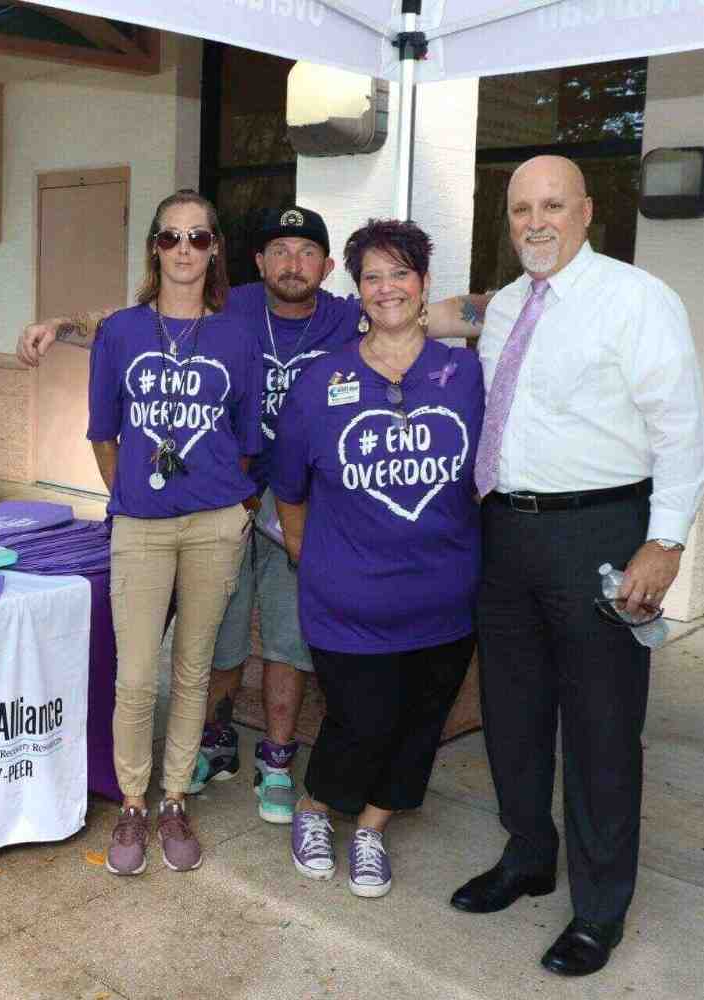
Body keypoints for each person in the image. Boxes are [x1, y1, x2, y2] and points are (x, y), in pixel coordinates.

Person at [19, 206, 489, 826]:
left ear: (325, 267)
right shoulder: (233, 307)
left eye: (307, 252)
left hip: (304, 497)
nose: (293, 263)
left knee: (291, 640)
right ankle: (213, 741)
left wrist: (526, 302)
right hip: (227, 491)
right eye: (280, 250)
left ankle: (276, 755)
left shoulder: (353, 312)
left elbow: (460, 311)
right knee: (220, 636)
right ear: (257, 261)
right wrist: (62, 324)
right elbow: (126, 323)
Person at [451, 155, 704, 976]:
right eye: (522, 207)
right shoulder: (505, 309)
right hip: (505, 535)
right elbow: (445, 316)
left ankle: (600, 911)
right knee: (513, 713)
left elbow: (683, 432)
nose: (536, 221)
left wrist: (664, 543)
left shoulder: (636, 300)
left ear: (587, 211)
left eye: (553, 206)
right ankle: (529, 854)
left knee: (601, 732)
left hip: (600, 534)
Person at [271, 219, 482, 898]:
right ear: (356, 289)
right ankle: (315, 808)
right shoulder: (320, 380)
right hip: (346, 600)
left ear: (423, 285)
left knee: (421, 723)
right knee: (361, 721)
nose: (386, 287)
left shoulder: (467, 375)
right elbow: (290, 488)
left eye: (400, 273)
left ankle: (371, 827)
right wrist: (308, 556)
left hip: (446, 602)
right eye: (372, 276)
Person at [87, 189, 262, 875]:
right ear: (153, 249)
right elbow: (104, 434)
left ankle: (175, 796)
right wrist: (132, 495)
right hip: (141, 527)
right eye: (170, 238)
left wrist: (223, 502)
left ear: (214, 248)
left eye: (197, 237)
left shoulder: (235, 336)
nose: (184, 250)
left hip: (216, 524)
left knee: (192, 673)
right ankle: (133, 803)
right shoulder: (122, 331)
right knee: (136, 678)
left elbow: (245, 442)